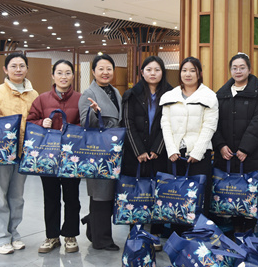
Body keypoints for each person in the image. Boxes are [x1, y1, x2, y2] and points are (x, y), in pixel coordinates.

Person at [0, 51, 39, 255]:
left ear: (27, 69)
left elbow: (36, 120)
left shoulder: (34, 94)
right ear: (5, 69)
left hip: (22, 152)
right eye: (13, 66)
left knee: (17, 197)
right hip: (1, 153)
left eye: (22, 66)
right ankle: (0, 238)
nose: (18, 69)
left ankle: (13, 234)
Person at [27, 60, 82, 254]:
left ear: (73, 76)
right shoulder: (41, 99)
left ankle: (70, 235)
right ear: (53, 75)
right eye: (59, 72)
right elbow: (30, 122)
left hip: (71, 157)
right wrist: (42, 122)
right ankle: (52, 236)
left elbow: (86, 125)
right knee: (50, 197)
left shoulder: (80, 99)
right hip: (47, 156)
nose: (63, 77)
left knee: (72, 197)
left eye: (67, 73)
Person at [212, 53, 258, 232]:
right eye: (234, 68)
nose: (238, 71)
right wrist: (220, 145)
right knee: (230, 193)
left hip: (251, 155)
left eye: (242, 67)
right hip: (227, 154)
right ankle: (234, 229)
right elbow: (212, 122)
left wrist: (245, 148)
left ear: (249, 69)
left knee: (251, 192)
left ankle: (250, 230)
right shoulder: (221, 94)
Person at [121, 55, 172, 244]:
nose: (153, 73)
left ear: (162, 72)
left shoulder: (170, 94)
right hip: (135, 153)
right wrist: (139, 151)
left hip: (160, 152)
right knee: (136, 190)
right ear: (142, 72)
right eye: (149, 69)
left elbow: (170, 123)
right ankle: (135, 231)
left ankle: (156, 233)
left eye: (157, 70)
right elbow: (127, 123)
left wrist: (157, 148)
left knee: (158, 191)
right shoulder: (131, 94)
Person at [160, 57, 218, 220]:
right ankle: (177, 232)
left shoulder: (209, 96)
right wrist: (171, 150)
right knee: (176, 196)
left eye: (193, 70)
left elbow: (209, 126)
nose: (188, 74)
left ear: (199, 74)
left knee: (198, 197)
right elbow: (165, 124)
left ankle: (198, 231)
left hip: (200, 155)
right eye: (184, 70)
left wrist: (197, 152)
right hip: (175, 155)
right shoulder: (170, 96)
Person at [79, 54, 122, 251]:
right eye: (101, 69)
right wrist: (95, 113)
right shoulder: (88, 93)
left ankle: (92, 224)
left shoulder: (115, 91)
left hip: (115, 151)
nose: (105, 72)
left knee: (110, 195)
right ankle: (101, 240)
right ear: (93, 71)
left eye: (109, 69)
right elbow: (85, 124)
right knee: (101, 196)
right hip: (99, 152)